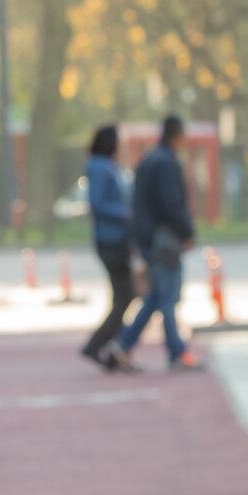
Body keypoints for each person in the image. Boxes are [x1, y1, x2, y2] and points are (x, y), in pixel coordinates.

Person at [107, 116, 200, 373]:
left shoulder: (149, 159)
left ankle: (123, 345)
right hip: (164, 241)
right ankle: (177, 352)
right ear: (177, 135)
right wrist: (187, 231)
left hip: (148, 238)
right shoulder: (167, 162)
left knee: (157, 296)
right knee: (167, 296)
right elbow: (171, 203)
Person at [81, 125, 136, 370]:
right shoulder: (100, 166)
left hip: (115, 238)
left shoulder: (106, 166)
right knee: (125, 296)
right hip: (111, 239)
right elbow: (98, 203)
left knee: (122, 296)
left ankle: (116, 350)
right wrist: (126, 214)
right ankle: (98, 344)